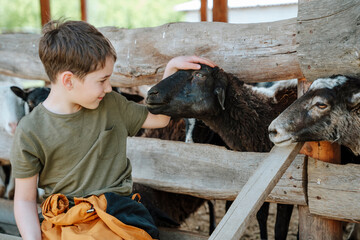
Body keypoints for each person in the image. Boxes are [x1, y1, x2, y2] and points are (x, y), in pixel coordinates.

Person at [10, 19, 215, 240]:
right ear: (68, 81)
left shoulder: (112, 104)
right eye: (102, 80)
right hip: (66, 223)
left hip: (119, 218)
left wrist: (171, 73)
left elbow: (159, 118)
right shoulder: (30, 131)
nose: (108, 88)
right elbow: (24, 199)